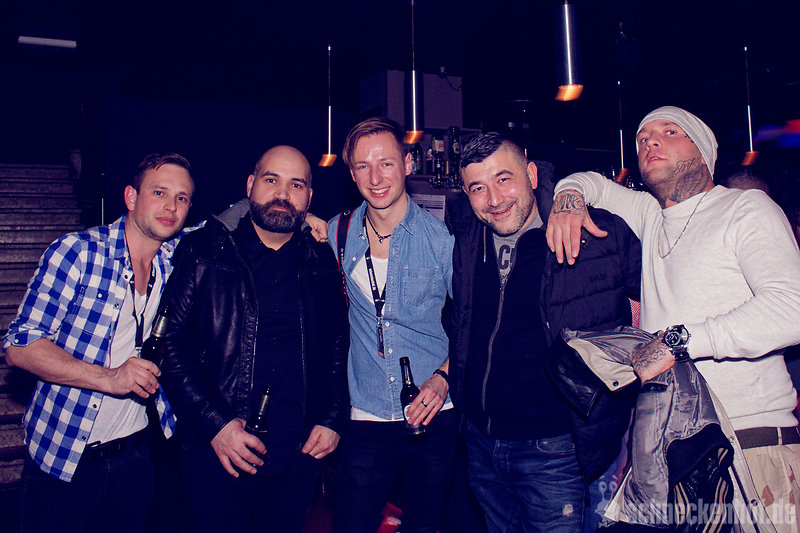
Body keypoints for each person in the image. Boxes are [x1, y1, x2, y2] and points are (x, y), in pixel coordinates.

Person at [548, 106, 800, 532]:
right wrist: (567, 200)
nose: (650, 140)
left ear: (702, 152)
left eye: (669, 132)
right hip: (669, 442)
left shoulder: (744, 207)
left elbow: (791, 308)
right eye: (643, 137)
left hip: (747, 437)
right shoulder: (651, 215)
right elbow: (588, 182)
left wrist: (678, 341)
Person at [448, 132, 640, 532]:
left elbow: (658, 280)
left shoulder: (591, 231)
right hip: (482, 443)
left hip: (553, 448)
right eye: (478, 188)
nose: (494, 199)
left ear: (532, 175)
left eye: (504, 179)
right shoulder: (468, 238)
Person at [158, 145, 349, 533]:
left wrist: (332, 418)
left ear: (309, 197)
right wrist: (217, 425)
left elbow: (338, 345)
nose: (283, 193)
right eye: (271, 180)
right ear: (250, 185)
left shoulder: (322, 260)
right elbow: (167, 343)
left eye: (296, 185)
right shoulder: (204, 251)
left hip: (298, 457)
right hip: (217, 455)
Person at [3, 153, 194, 533]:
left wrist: (304, 218)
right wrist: (109, 378)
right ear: (131, 197)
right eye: (159, 192)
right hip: (63, 456)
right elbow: (20, 345)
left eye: (182, 197)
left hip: (135, 455)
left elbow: (233, 222)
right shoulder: (79, 252)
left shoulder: (174, 257)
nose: (171, 206)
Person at [327, 118, 457, 533]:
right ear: (351, 174)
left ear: (407, 163)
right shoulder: (337, 232)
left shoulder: (442, 240)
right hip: (367, 413)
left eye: (386, 163)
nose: (376, 178)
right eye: (363, 166)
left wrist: (443, 379)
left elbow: (473, 322)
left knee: (423, 526)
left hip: (433, 413)